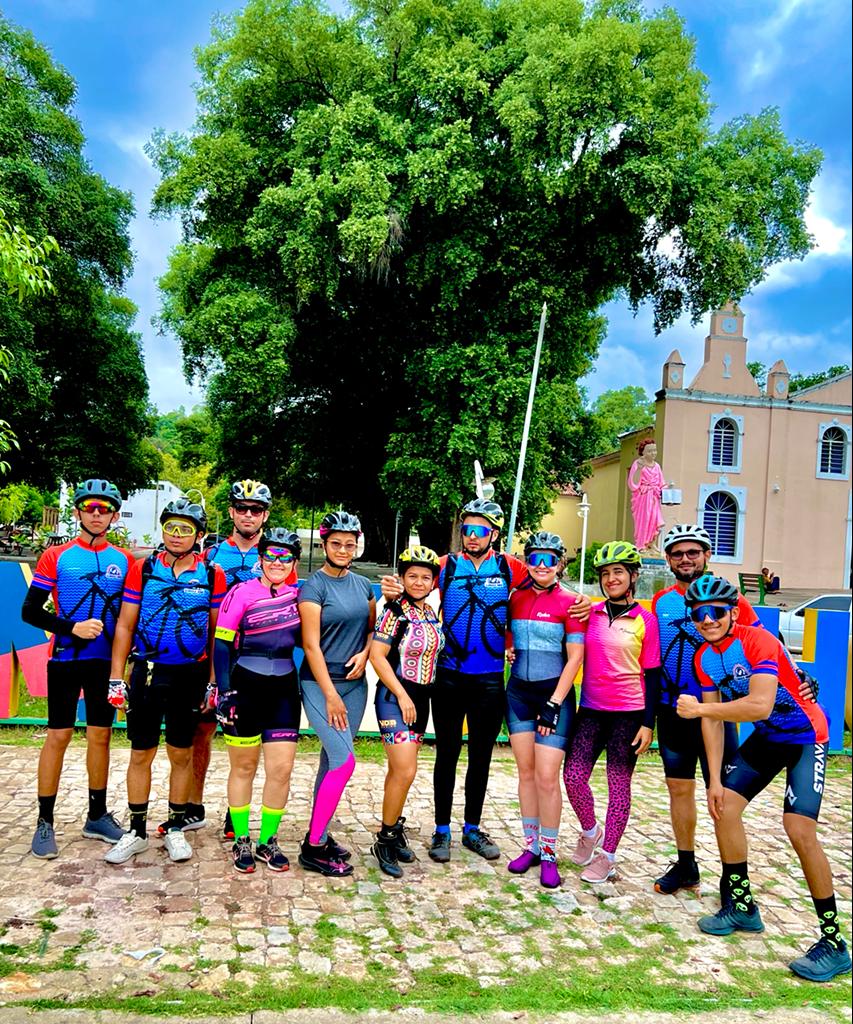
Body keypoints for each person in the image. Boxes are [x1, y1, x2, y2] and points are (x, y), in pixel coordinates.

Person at [677, 575, 851, 983]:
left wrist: (701, 711)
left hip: (807, 736)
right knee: (724, 808)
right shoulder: (704, 658)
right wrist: (716, 780)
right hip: (770, 738)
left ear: (732, 613)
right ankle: (741, 906)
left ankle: (834, 942)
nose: (708, 620)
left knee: (799, 829)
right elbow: (714, 726)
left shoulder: (758, 641)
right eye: (699, 614)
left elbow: (758, 704)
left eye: (716, 612)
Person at [104, 498, 226, 865]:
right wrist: (116, 676)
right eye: (171, 527)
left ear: (199, 535)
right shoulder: (142, 569)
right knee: (141, 753)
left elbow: (216, 633)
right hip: (147, 671)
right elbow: (125, 625)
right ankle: (137, 831)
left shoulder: (211, 575)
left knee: (181, 753)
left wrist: (213, 682)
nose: (176, 535)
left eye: (185, 529)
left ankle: (174, 827)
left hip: (189, 674)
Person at [21, 479, 132, 858]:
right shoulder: (58, 556)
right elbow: (30, 611)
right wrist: (73, 628)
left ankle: (97, 815)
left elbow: (132, 614)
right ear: (77, 511)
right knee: (59, 735)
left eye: (104, 508)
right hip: (67, 659)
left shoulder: (125, 559)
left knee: (100, 737)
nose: (96, 514)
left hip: (105, 663)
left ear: (114, 515)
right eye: (90, 507)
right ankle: (45, 820)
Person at [177, 479, 292, 839]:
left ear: (265, 515)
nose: (247, 514)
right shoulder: (211, 555)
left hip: (260, 659)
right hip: (216, 653)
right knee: (203, 729)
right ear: (230, 511)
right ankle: (194, 804)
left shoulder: (277, 553)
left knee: (253, 741)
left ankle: (234, 813)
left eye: (255, 510)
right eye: (241, 508)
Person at [650, 524, 761, 896]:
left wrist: (800, 677)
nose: (686, 559)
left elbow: (764, 644)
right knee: (679, 790)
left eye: (693, 552)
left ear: (706, 555)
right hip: (674, 710)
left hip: (719, 710)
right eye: (678, 554)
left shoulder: (730, 598)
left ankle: (733, 880)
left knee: (724, 798)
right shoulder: (660, 601)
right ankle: (686, 866)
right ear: (668, 560)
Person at [563, 541, 661, 883]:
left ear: (633, 576)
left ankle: (608, 856)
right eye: (605, 574)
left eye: (618, 572)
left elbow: (652, 676)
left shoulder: (645, 620)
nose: (610, 579)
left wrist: (648, 723)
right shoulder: (590, 613)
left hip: (628, 714)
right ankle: (591, 833)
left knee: (618, 785)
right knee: (573, 777)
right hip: (590, 708)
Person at [213, 528, 302, 873]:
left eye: (285, 557)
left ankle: (267, 840)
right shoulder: (241, 592)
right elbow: (222, 644)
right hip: (245, 685)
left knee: (281, 769)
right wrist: (224, 691)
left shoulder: (298, 594)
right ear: (260, 558)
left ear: (293, 562)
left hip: (283, 689)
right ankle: (241, 840)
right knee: (244, 767)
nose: (277, 562)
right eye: (271, 556)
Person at [505, 531, 586, 888]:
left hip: (555, 696)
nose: (541, 565)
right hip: (518, 693)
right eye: (535, 558)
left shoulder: (572, 602)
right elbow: (508, 637)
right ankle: (532, 846)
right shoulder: (515, 597)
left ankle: (550, 852)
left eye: (549, 559)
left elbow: (576, 658)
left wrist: (554, 703)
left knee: (546, 777)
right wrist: (509, 648)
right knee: (525, 773)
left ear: (560, 564)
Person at [298, 510, 375, 877]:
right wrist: (329, 695)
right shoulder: (314, 586)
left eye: (350, 544)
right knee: (345, 761)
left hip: (356, 684)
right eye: (336, 543)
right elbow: (310, 646)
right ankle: (312, 848)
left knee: (331, 762)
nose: (344, 549)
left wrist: (365, 652)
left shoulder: (362, 586)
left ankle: (321, 831)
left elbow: (373, 629)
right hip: (320, 684)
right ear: (324, 544)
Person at [369, 546, 444, 878]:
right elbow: (377, 656)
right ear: (401, 578)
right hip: (394, 697)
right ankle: (384, 840)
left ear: (433, 582)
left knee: (400, 773)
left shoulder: (430, 612)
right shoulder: (393, 612)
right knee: (405, 770)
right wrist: (401, 695)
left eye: (425, 577)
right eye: (412, 575)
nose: (418, 581)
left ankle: (394, 825)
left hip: (421, 699)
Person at [627, 439, 665, 552]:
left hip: (654, 497)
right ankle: (641, 544)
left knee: (655, 520)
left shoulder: (657, 466)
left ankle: (652, 543)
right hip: (642, 497)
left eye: (654, 450)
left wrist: (667, 491)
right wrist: (639, 469)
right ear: (643, 452)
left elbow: (661, 482)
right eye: (650, 451)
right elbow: (633, 483)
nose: (653, 453)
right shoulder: (638, 463)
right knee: (644, 521)